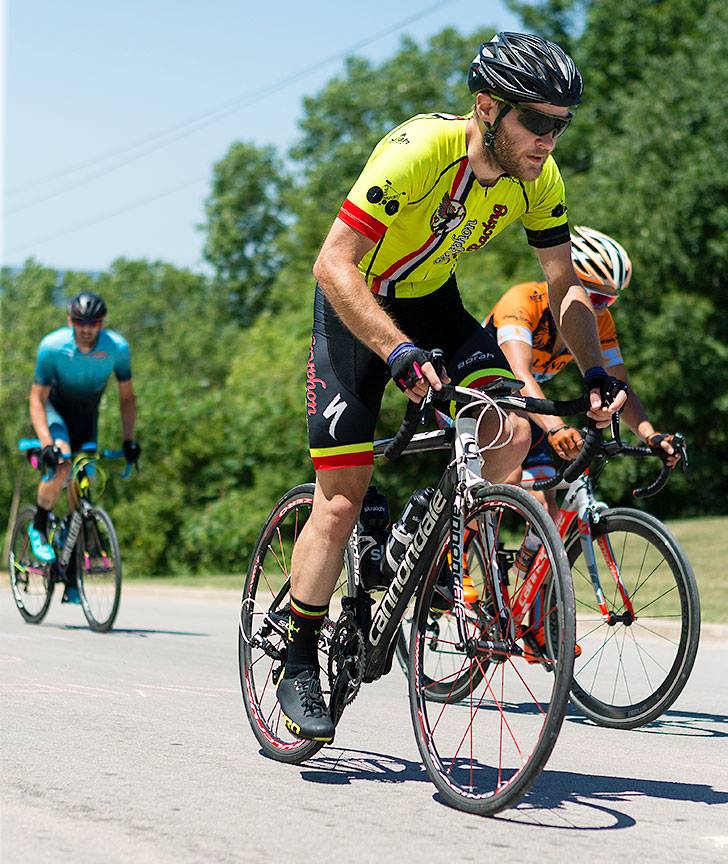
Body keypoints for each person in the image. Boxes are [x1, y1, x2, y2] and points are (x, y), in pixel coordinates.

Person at [278, 31, 627, 741]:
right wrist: (396, 350)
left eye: (560, 125)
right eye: (537, 121)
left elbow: (564, 285)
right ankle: (299, 655)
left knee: (511, 424)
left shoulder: (539, 177)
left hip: (434, 305)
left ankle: (431, 532)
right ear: (487, 108)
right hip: (355, 305)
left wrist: (596, 370)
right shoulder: (418, 150)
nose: (548, 140)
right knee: (340, 499)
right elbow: (332, 264)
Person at [484, 225, 681, 662]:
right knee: (511, 477)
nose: (597, 308)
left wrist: (651, 434)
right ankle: (463, 569)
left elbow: (619, 385)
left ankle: (532, 610)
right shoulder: (523, 301)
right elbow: (518, 375)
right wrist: (556, 427)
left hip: (529, 409)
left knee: (550, 506)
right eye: (592, 296)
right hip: (482, 401)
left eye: (607, 302)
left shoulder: (597, 321)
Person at [27, 291, 140, 599]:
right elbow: (36, 399)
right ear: (70, 321)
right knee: (63, 465)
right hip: (55, 413)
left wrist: (129, 440)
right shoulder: (52, 347)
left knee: (81, 492)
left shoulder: (117, 348)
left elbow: (127, 398)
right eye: (80, 322)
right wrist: (47, 444)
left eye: (93, 323)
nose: (87, 328)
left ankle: (71, 574)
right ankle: (38, 525)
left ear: (102, 323)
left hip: (87, 419)